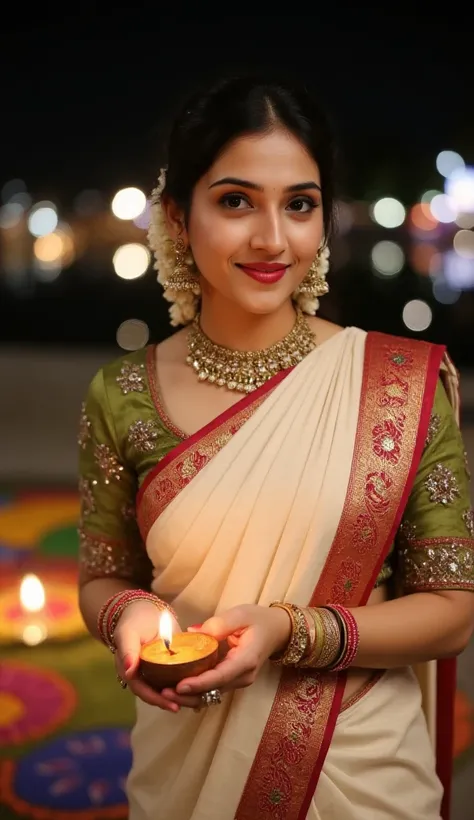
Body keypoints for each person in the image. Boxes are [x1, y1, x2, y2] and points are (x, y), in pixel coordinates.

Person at [77, 75, 474, 820]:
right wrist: (130, 617)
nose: (272, 239)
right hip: (185, 773)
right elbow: (103, 576)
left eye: (299, 204)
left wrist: (288, 630)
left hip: (363, 774)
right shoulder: (121, 393)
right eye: (235, 201)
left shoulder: (395, 383)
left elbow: (451, 611)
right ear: (177, 216)